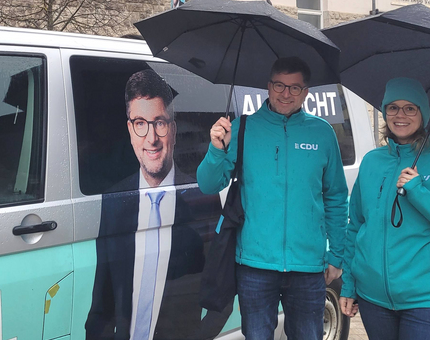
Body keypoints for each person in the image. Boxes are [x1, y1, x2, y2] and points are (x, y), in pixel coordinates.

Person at [197, 57, 348, 340]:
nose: (285, 93)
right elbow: (208, 184)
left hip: (308, 266)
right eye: (279, 85)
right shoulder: (242, 128)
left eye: (294, 87)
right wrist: (216, 149)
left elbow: (337, 198)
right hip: (255, 265)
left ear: (305, 92)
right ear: (268, 86)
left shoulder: (322, 133)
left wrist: (337, 255)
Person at [86, 69, 229, 340]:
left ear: (173, 131)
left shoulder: (201, 197)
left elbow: (221, 298)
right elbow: (101, 306)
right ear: (130, 130)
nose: (151, 138)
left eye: (160, 123)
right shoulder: (114, 202)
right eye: (140, 123)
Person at [339, 77, 430, 340]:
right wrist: (349, 285)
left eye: (410, 108)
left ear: (423, 114)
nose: (400, 115)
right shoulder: (372, 162)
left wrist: (419, 192)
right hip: (374, 301)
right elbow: (356, 226)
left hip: (429, 305)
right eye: (393, 107)